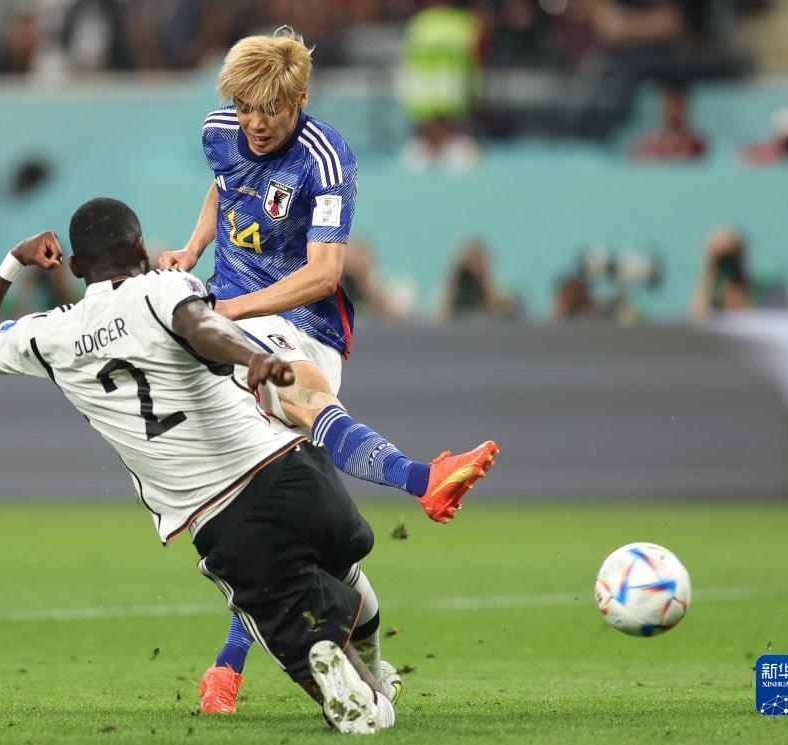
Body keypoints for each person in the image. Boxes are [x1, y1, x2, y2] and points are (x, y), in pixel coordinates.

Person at [0, 197, 398, 735]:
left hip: (228, 518)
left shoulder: (51, 334)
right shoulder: (164, 286)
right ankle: (372, 665)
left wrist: (13, 263)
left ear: (77, 266)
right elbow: (200, 325)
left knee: (360, 712)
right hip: (299, 474)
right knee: (340, 570)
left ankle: (360, 689)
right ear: (141, 248)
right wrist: (251, 356)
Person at [157, 27, 499, 714]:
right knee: (276, 522)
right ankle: (248, 668)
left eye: (271, 110)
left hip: (303, 325)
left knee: (266, 492)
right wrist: (193, 249)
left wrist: (228, 307)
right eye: (245, 107)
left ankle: (419, 478)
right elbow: (223, 188)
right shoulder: (221, 131)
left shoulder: (325, 157)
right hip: (236, 321)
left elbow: (324, 275)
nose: (255, 122)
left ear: (300, 100)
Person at [631, 81, 708, 162]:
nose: (672, 110)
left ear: (685, 107)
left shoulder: (697, 145)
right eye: (668, 104)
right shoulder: (647, 144)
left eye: (677, 105)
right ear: (661, 106)